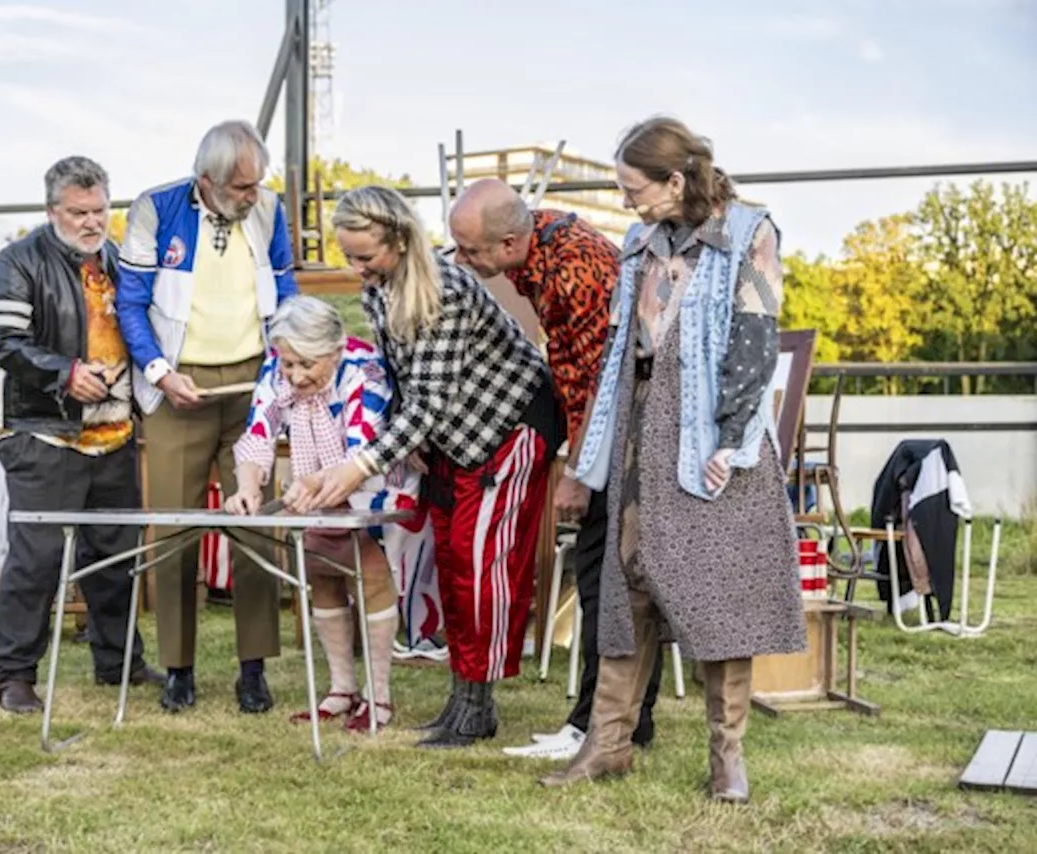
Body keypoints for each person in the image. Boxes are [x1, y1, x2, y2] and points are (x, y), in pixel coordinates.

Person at [538, 117, 806, 802]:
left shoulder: (749, 232)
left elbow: (754, 344)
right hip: (643, 423)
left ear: (675, 180)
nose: (626, 201)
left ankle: (728, 758)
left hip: (714, 432)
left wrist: (730, 441)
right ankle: (609, 743)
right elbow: (621, 345)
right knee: (628, 583)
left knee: (720, 592)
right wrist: (590, 450)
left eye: (634, 189)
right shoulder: (639, 242)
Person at [284, 186, 565, 749]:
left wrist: (357, 467)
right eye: (349, 256)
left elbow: (432, 401)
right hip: (453, 438)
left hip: (508, 427)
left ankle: (477, 706)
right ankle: (461, 702)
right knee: (454, 561)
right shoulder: (380, 290)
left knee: (482, 564)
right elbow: (401, 384)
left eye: (366, 256)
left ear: (400, 239)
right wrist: (382, 449)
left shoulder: (445, 292)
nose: (357, 268)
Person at [449, 179, 662, 761]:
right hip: (592, 417)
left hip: (625, 426)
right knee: (612, 573)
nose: (462, 263)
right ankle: (629, 720)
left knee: (602, 575)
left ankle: (600, 722)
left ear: (511, 241)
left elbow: (600, 380)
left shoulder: (575, 270)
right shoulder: (530, 250)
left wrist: (576, 470)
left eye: (470, 252)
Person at [116, 120, 297, 715]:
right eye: (242, 187)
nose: (253, 196)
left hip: (251, 387)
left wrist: (286, 367)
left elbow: (286, 286)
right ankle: (178, 669)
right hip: (178, 389)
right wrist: (160, 371)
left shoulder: (268, 209)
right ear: (207, 182)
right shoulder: (155, 209)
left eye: (257, 184)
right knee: (172, 530)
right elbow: (131, 302)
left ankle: (253, 670)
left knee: (255, 528)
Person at [0, 155, 163, 714]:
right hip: (44, 434)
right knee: (35, 561)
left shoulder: (117, 259)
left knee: (115, 557)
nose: (92, 221)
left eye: (100, 209)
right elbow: (4, 342)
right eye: (78, 212)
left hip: (113, 432)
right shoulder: (16, 260)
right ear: (51, 210)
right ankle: (12, 674)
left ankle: (119, 664)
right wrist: (65, 374)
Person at [225, 295, 431, 730]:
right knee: (321, 569)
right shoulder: (278, 363)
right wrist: (247, 486)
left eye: (307, 365)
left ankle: (379, 697)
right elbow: (259, 430)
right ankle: (342, 688)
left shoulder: (366, 370)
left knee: (369, 570)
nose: (295, 376)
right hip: (314, 480)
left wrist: (316, 484)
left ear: (335, 351)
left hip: (372, 477)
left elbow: (364, 448)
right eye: (289, 366)